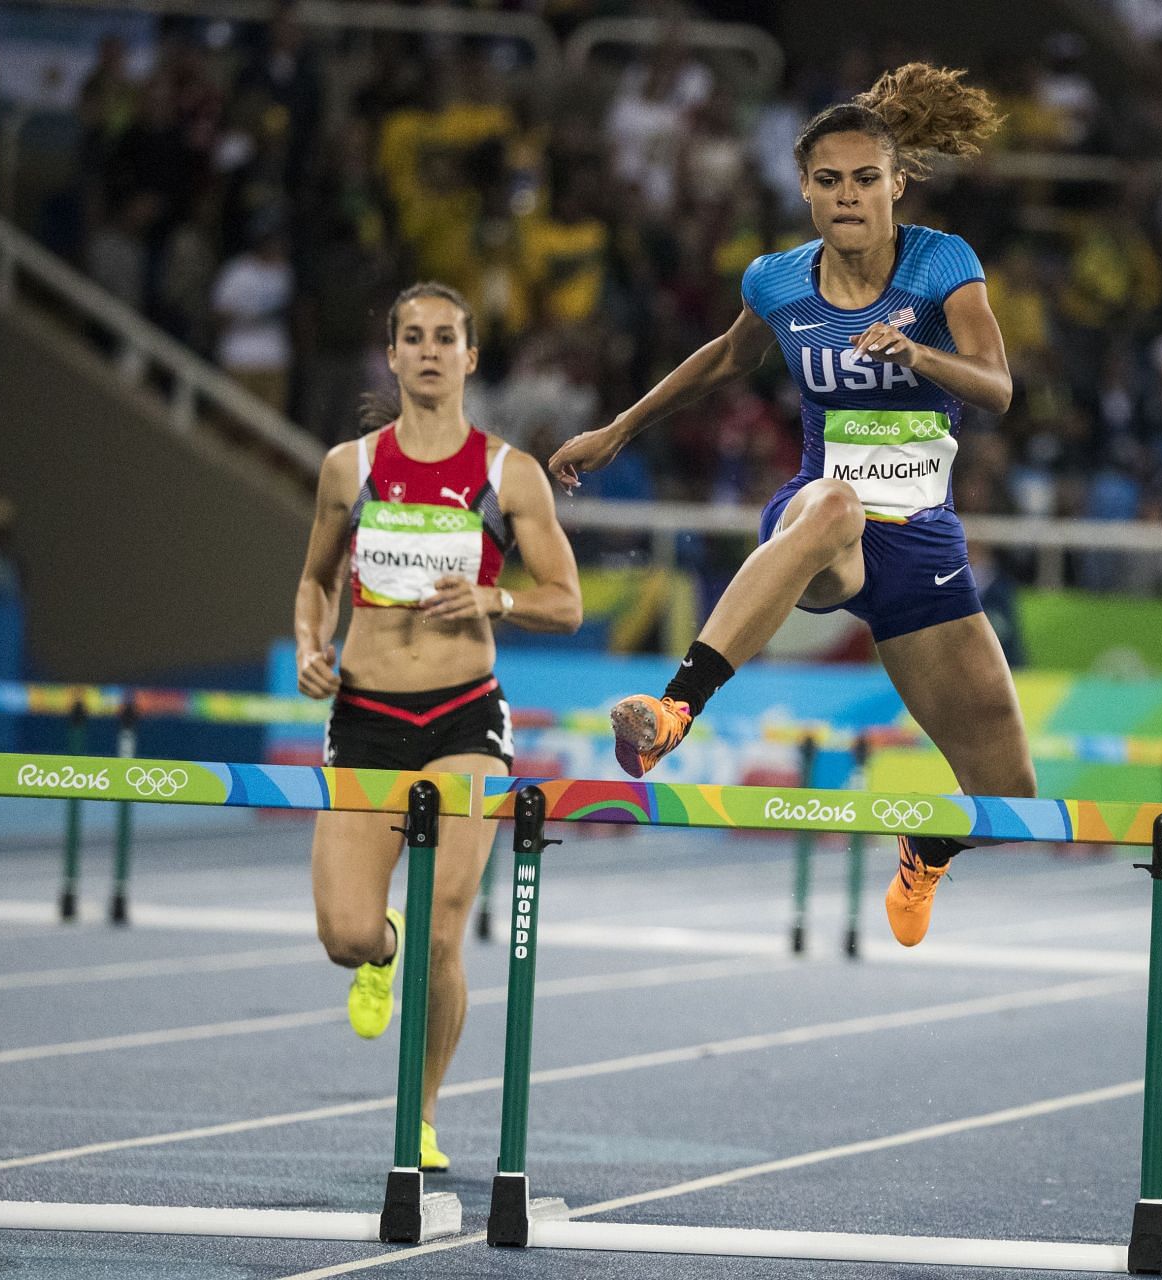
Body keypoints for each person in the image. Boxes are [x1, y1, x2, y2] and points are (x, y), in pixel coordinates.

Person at [549, 63, 1034, 948]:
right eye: (826, 181)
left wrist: (917, 357)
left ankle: (929, 849)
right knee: (834, 504)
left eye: (863, 179)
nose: (846, 197)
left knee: (1015, 802)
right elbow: (727, 359)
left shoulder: (941, 264)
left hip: (922, 542)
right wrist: (619, 428)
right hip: (819, 530)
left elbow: (997, 387)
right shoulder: (777, 281)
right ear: (804, 191)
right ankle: (675, 709)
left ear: (897, 184)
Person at [293, 282, 581, 1169]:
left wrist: (495, 594)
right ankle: (382, 953)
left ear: (470, 357)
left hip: (462, 715)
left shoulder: (508, 474)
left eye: (445, 337)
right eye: (411, 337)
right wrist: (311, 641)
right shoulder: (352, 467)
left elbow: (566, 602)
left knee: (446, 932)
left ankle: (416, 1118)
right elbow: (315, 579)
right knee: (347, 934)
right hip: (367, 716)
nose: (428, 350)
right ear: (391, 355)